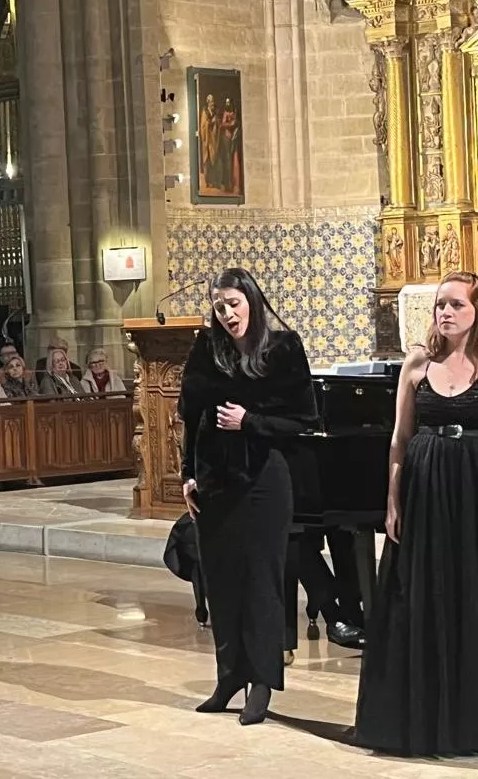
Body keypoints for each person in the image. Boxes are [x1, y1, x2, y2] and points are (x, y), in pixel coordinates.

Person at [354, 271, 478, 756]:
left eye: (455, 305)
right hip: (426, 497)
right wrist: (392, 502)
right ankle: (424, 716)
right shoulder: (417, 364)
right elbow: (400, 441)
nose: (445, 313)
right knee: (425, 597)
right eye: (440, 305)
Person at [178, 268, 316, 724]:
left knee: (261, 582)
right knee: (221, 581)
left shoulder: (283, 348)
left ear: (252, 301)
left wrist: (250, 421)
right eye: (219, 307)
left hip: (264, 482)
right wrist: (187, 475)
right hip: (214, 481)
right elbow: (192, 418)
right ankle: (229, 676)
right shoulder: (206, 350)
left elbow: (303, 420)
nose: (228, 313)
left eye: (234, 303)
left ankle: (262, 682)